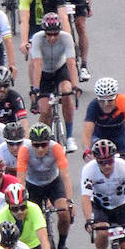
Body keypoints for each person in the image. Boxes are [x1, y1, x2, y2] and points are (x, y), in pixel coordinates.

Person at [28, 13, 79, 152]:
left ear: (59, 31)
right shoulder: (37, 38)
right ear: (44, 32)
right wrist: (36, 89)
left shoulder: (66, 38)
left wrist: (75, 86)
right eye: (48, 34)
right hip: (43, 73)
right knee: (45, 110)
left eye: (55, 34)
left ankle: (69, 137)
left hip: (60, 70)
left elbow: (71, 62)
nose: (52, 37)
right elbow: (37, 64)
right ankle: (42, 140)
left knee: (66, 93)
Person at [81, 77, 125, 164]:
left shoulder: (124, 101)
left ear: (116, 97)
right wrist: (87, 151)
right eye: (102, 101)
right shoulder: (93, 106)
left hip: (119, 137)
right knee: (98, 162)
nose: (106, 105)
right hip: (99, 137)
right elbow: (86, 132)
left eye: (110, 100)